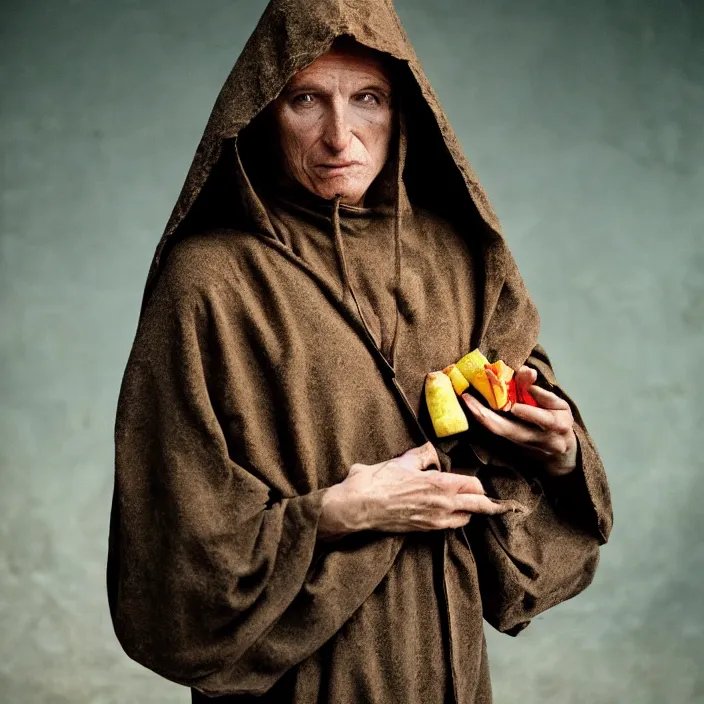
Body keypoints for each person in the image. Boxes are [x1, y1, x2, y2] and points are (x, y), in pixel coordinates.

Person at [106, 1, 613, 703]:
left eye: (366, 98)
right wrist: (343, 513)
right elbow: (170, 549)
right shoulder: (208, 282)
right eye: (306, 99)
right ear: (259, 112)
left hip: (445, 670)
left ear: (403, 109)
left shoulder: (457, 259)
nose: (339, 135)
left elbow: (528, 523)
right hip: (295, 682)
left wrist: (559, 453)